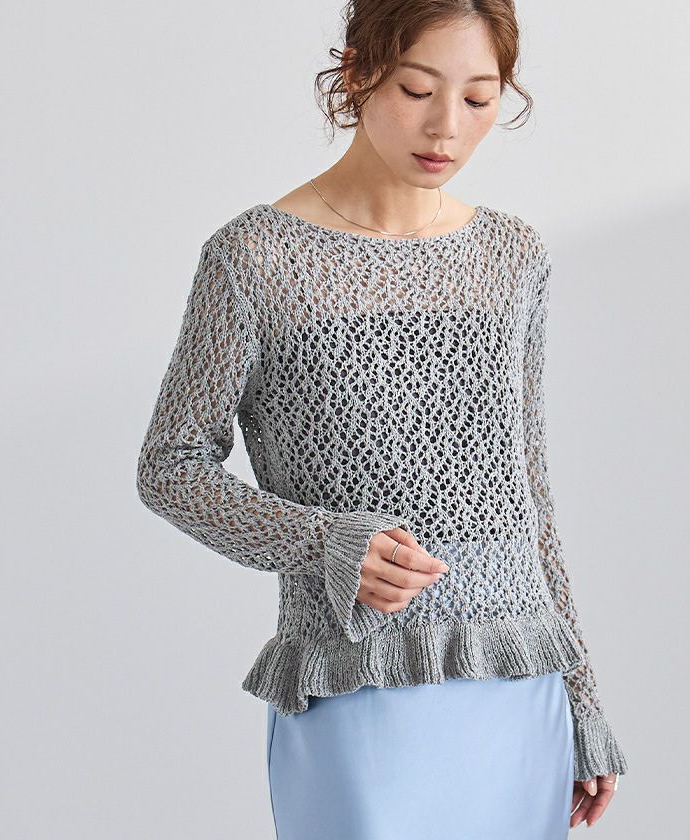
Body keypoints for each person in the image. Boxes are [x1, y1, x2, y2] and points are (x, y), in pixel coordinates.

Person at [136, 2, 628, 837]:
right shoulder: (254, 259)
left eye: (479, 99)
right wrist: (323, 543)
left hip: (518, 693)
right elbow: (170, 466)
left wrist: (582, 698)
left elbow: (529, 494)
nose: (447, 127)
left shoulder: (512, 257)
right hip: (353, 687)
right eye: (416, 89)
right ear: (357, 70)